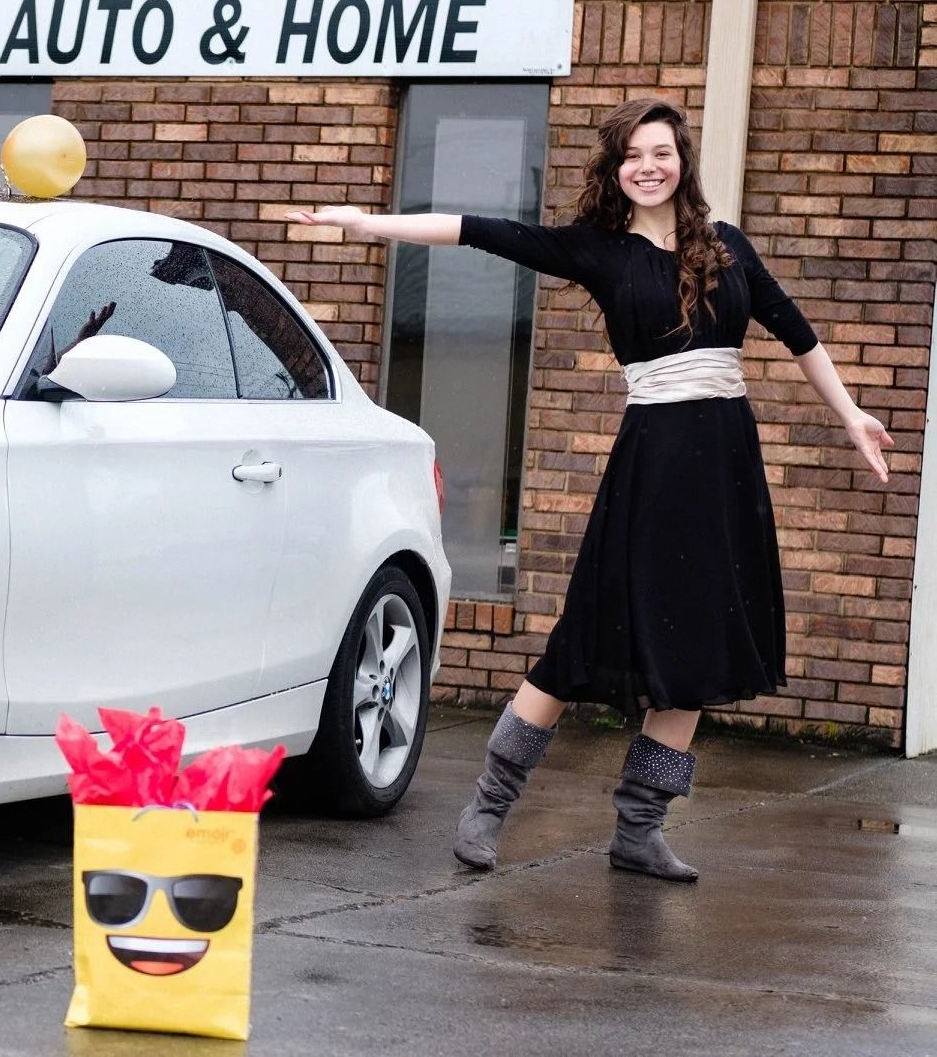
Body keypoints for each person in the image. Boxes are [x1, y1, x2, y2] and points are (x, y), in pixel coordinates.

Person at [284, 98, 893, 883]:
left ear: (682, 163)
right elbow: (481, 231)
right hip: (654, 462)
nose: (649, 165)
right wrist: (367, 225)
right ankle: (490, 804)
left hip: (725, 466)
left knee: (697, 648)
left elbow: (796, 331)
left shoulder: (727, 247)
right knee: (583, 639)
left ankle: (639, 828)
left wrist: (849, 416)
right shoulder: (598, 252)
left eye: (662, 152)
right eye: (634, 154)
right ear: (617, 168)